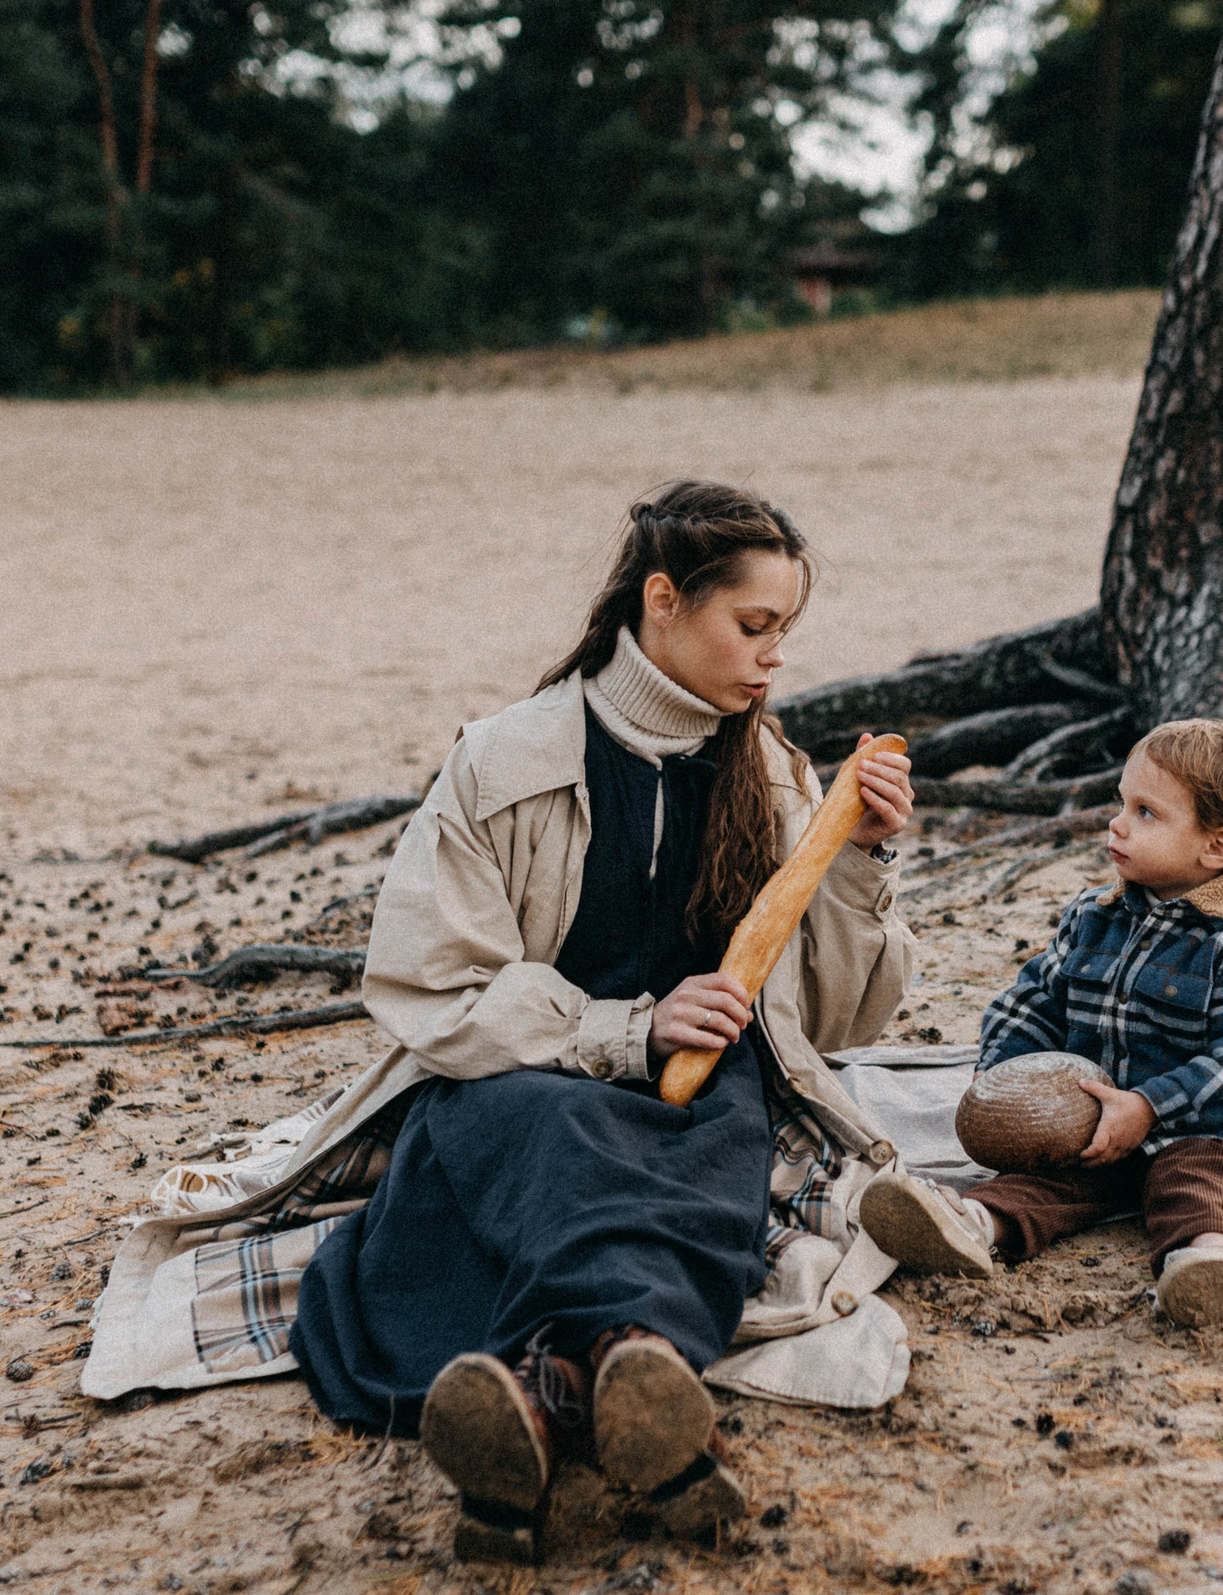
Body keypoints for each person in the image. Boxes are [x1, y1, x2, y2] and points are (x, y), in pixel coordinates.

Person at [284, 481, 914, 1563]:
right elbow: (433, 986)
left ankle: (543, 1395)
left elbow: (838, 1016)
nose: (774, 656)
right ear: (662, 600)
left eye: (784, 630)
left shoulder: (775, 776)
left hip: (700, 1087)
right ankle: (631, 1367)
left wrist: (860, 861)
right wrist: (627, 1029)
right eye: (752, 625)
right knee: (555, 1142)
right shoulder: (502, 761)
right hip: (519, 1075)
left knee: (704, 1148)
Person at [857, 718, 1223, 1327]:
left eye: (1146, 813)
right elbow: (1036, 999)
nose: (1117, 824)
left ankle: (1207, 1260)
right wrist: (1003, 1070)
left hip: (1201, 1129)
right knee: (1042, 1184)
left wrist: (1148, 1106)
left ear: (1217, 848)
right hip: (1090, 1131)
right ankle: (972, 1224)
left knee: (1201, 1184)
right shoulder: (1094, 914)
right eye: (1122, 803)